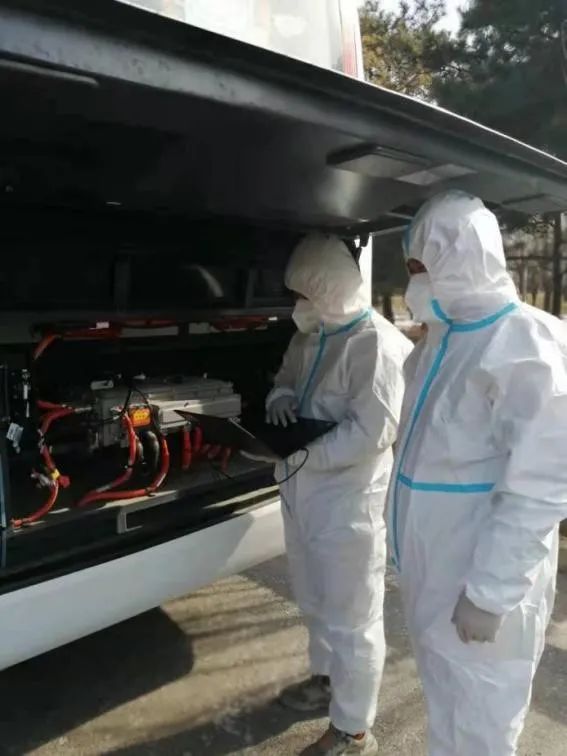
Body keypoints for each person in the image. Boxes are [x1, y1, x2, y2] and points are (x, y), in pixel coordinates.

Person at [390, 190, 567, 755]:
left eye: (420, 267)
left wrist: (491, 594)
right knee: (447, 710)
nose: (413, 282)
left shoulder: (525, 343)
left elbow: (541, 486)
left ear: (459, 257)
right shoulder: (435, 347)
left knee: (484, 726)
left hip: (481, 582)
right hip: (434, 574)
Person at [266, 233, 411, 755]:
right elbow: (285, 377)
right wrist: (281, 396)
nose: (298, 304)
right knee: (313, 598)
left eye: (306, 293)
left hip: (349, 500)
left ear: (329, 289)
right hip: (302, 492)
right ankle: (326, 680)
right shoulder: (311, 335)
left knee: (353, 617)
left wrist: (306, 455)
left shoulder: (377, 345)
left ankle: (353, 729)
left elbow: (372, 432)